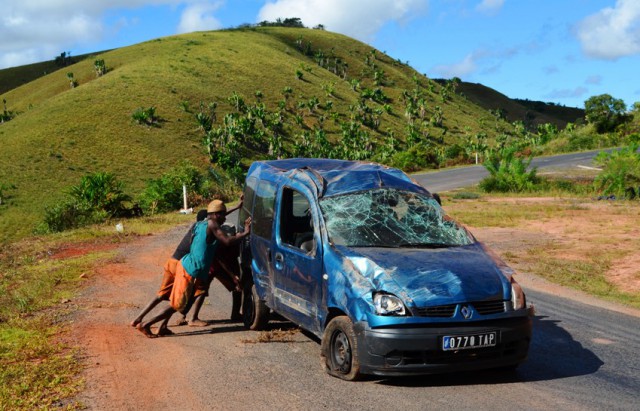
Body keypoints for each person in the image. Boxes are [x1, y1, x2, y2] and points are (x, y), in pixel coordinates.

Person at [136, 199, 251, 338]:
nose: (225, 218)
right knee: (176, 304)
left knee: (181, 301)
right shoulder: (213, 224)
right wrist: (245, 232)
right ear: (214, 215)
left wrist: (237, 207)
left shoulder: (199, 224)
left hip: (189, 266)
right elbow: (226, 241)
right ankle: (145, 324)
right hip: (191, 270)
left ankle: (161, 327)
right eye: (222, 215)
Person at [129, 209, 208, 335]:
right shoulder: (204, 231)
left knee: (162, 295)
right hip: (181, 266)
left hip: (172, 261)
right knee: (181, 298)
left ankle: (139, 319)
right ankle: (154, 324)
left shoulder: (195, 227)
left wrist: (236, 207)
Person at [184, 224, 243, 326]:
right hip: (211, 267)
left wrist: (236, 277)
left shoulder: (234, 242)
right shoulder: (217, 241)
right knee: (199, 291)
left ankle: (235, 314)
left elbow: (233, 259)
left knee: (237, 288)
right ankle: (189, 317)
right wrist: (232, 275)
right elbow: (220, 260)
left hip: (224, 268)